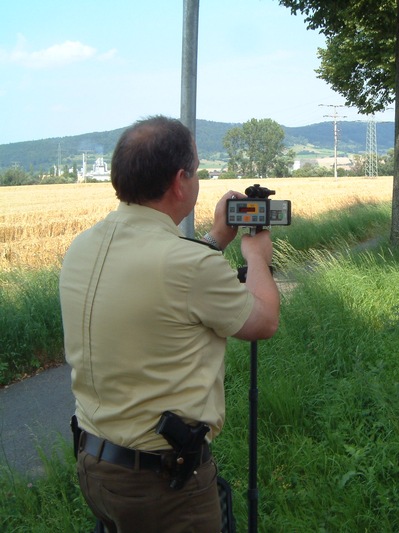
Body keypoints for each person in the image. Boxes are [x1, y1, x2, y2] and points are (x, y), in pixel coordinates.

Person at [59, 115, 280, 532]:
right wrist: (255, 256)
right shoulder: (188, 265)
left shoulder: (83, 246)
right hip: (163, 486)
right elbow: (263, 321)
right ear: (180, 180)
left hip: (96, 466)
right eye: (196, 171)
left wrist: (216, 239)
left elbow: (162, 284)